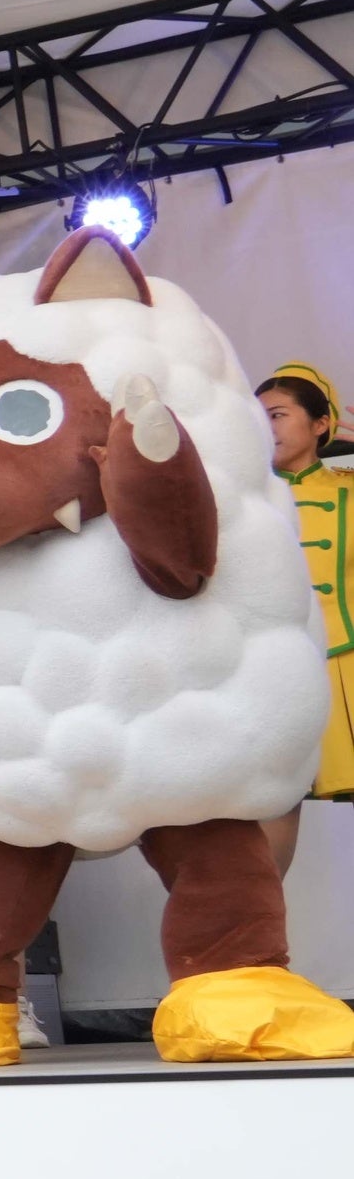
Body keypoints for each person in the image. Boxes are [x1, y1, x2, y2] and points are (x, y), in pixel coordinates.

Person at [259, 361, 348, 875]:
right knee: (275, 800)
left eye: (276, 414)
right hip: (274, 674)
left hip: (346, 668)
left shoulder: (350, 489)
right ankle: (261, 922)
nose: (264, 427)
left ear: (319, 424)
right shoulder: (240, 501)